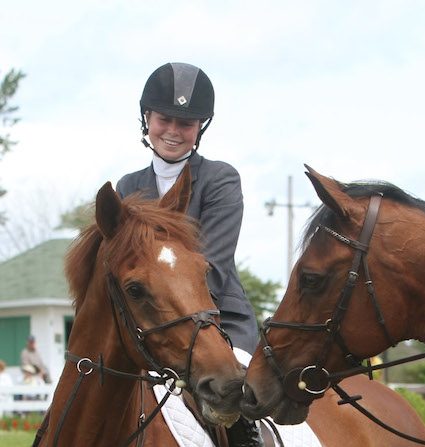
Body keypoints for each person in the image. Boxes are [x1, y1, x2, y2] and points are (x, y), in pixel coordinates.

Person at [116, 62, 262, 446]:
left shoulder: (220, 179)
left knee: (235, 402)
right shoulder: (128, 187)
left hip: (219, 320)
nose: (174, 132)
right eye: (165, 119)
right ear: (147, 118)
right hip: (148, 325)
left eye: (187, 123)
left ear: (200, 128)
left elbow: (211, 265)